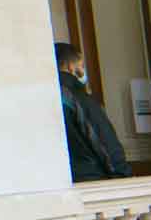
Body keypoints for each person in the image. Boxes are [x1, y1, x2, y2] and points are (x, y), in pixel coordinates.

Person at [55, 43, 130, 182]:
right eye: (81, 65)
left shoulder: (43, 98)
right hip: (92, 180)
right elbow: (104, 141)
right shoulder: (76, 97)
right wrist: (124, 178)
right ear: (71, 67)